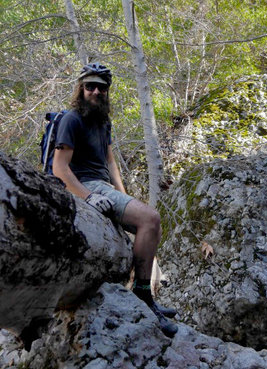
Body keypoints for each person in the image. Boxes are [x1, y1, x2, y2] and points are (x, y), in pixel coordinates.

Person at [52, 62, 178, 337]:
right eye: (90, 86)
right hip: (85, 185)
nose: (96, 91)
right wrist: (88, 197)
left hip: (105, 186)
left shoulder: (103, 121)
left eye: (101, 87)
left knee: (150, 225)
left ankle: (146, 296)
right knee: (151, 218)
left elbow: (110, 161)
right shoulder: (71, 119)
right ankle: (143, 298)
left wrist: (121, 195)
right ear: (80, 88)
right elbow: (59, 167)